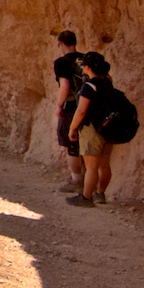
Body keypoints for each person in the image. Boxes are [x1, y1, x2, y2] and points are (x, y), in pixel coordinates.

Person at [67, 51, 116, 206]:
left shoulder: (89, 86)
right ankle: (100, 194)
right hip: (108, 128)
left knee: (91, 167)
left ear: (87, 67)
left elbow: (81, 110)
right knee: (104, 165)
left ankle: (86, 198)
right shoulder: (108, 83)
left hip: (92, 130)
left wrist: (72, 128)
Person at [52, 31, 86, 195]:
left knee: (72, 143)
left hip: (71, 107)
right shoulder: (86, 59)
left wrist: (59, 105)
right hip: (88, 106)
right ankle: (89, 178)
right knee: (86, 143)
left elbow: (64, 86)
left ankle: (76, 180)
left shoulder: (61, 62)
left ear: (61, 43)